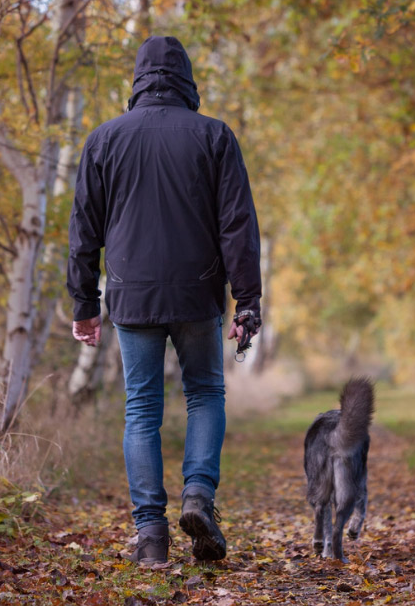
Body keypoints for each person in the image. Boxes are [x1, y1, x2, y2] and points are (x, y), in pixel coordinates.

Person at [67, 36, 262, 565]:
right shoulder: (214, 136)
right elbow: (237, 225)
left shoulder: (104, 140)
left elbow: (83, 229)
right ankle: (198, 495)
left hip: (131, 296)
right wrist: (247, 300)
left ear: (137, 79)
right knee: (204, 394)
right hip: (198, 292)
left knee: (141, 409)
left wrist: (85, 302)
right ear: (187, 79)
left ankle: (151, 535)